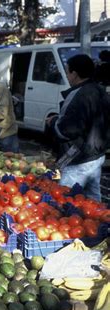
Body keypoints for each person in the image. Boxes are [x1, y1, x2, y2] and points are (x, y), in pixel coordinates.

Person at [46, 54, 108, 201]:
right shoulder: (100, 90)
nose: (67, 76)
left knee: (65, 200)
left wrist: (53, 121)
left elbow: (67, 130)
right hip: (96, 155)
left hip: (78, 158)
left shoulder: (78, 94)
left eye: (68, 72)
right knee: (93, 201)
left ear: (75, 74)